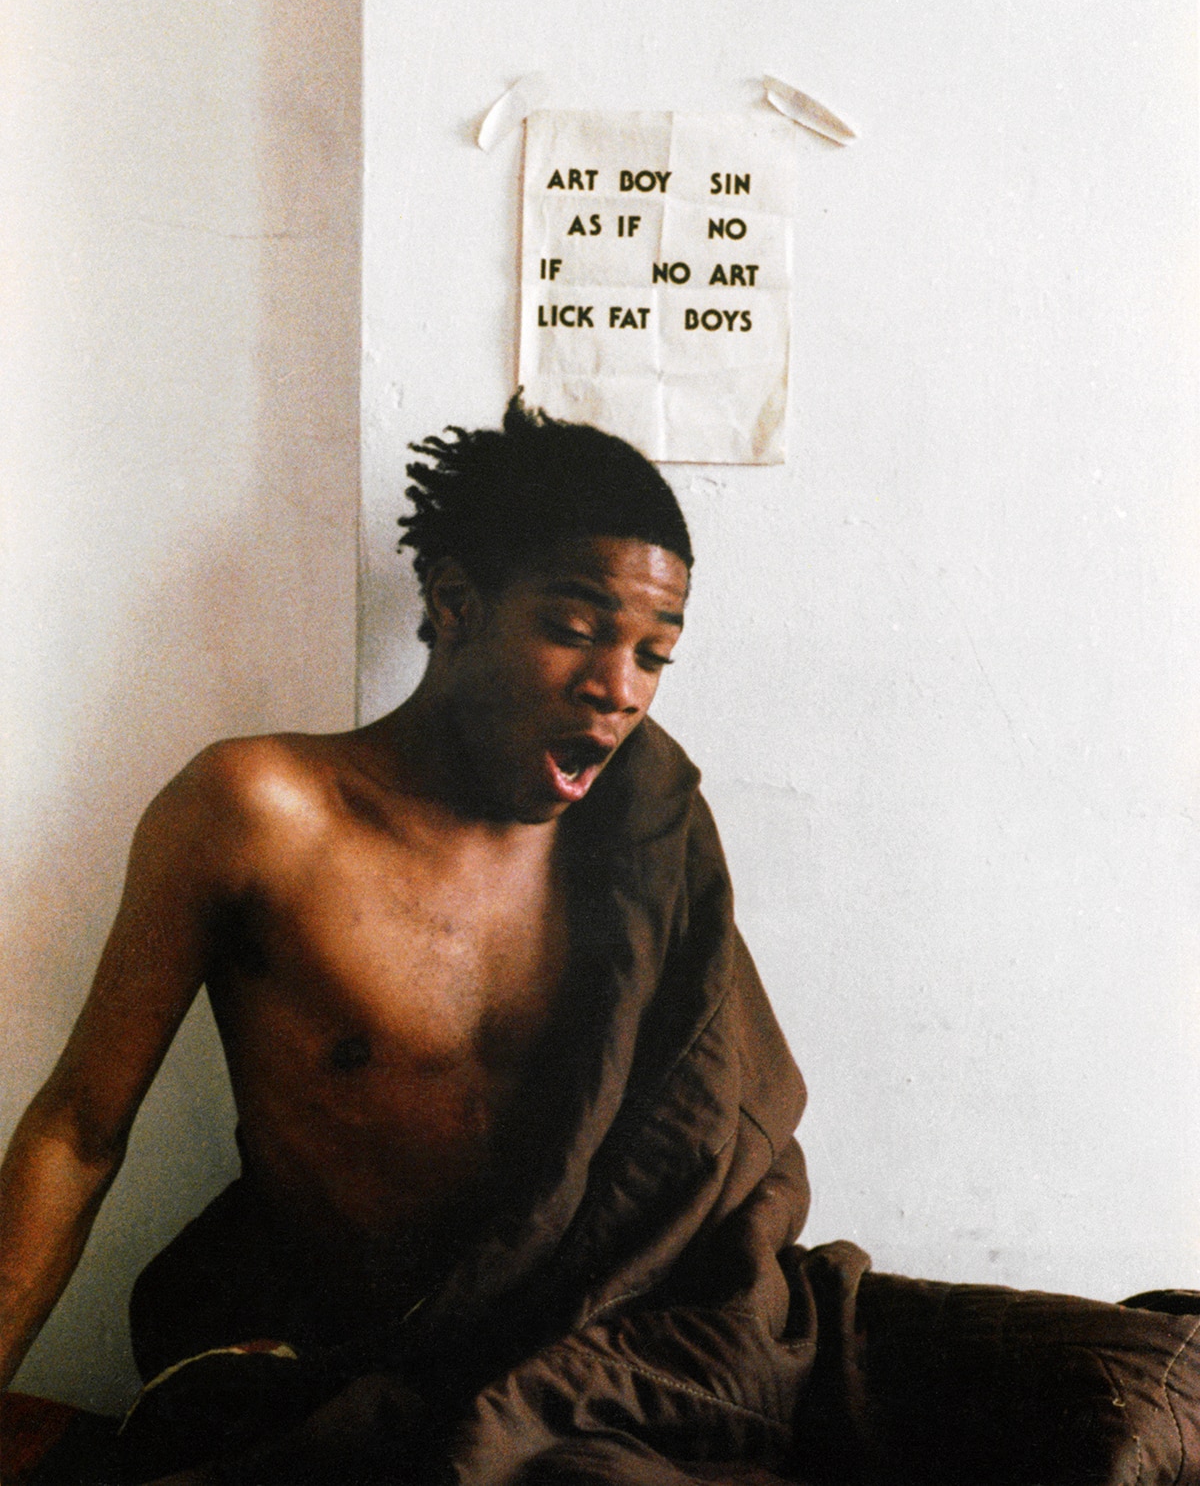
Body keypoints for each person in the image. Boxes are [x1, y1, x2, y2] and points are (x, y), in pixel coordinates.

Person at [1, 396, 1198, 1486]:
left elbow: (703, 1157)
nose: (618, 688)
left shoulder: (642, 830)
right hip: (409, 1367)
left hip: (670, 1322)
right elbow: (78, 1129)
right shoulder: (256, 812)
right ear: (458, 605)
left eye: (654, 655)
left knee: (1142, 1385)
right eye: (578, 630)